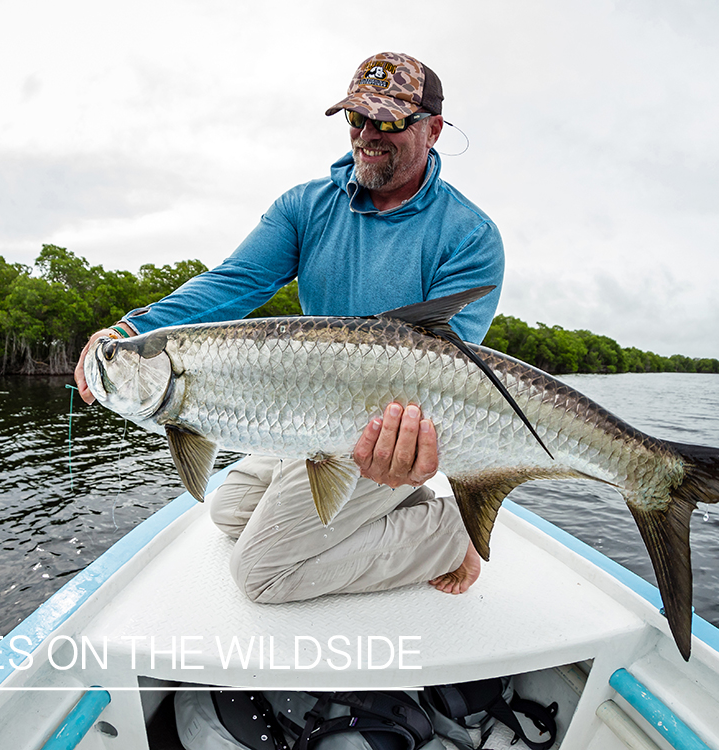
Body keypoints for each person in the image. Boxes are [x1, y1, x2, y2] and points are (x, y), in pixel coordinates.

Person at [75, 52, 503, 603]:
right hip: (315, 419)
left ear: (434, 129)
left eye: (391, 121)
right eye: (357, 118)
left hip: (385, 432)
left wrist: (407, 452)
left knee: (260, 573)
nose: (369, 134)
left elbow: (450, 371)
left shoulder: (470, 235)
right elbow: (234, 283)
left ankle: (452, 534)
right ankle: (407, 508)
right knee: (226, 509)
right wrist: (129, 329)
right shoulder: (305, 206)